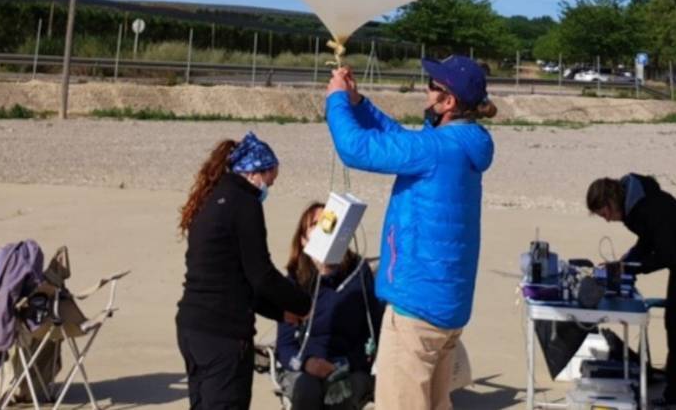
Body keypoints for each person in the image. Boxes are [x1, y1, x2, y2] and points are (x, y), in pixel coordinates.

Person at [324, 56, 495, 410]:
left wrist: (336, 100)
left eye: (433, 86)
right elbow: (402, 140)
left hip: (416, 308)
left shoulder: (437, 149)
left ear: (448, 103)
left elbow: (356, 149)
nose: (425, 90)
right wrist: (359, 104)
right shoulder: (459, 143)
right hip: (445, 306)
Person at [176, 132, 312, 410]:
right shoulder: (244, 203)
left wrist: (280, 312)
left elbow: (237, 279)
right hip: (222, 334)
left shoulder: (212, 198)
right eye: (270, 180)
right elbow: (261, 275)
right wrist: (302, 303)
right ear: (255, 173)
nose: (268, 188)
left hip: (193, 327)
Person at [587, 174, 676, 410]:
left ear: (611, 201)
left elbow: (665, 254)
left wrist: (631, 268)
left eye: (604, 213)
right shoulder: (634, 209)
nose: (607, 220)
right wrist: (624, 262)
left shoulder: (650, 207)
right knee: (674, 326)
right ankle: (675, 396)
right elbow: (646, 242)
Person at [276, 202, 384, 410]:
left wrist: (346, 365)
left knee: (342, 396)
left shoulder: (358, 274)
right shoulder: (294, 282)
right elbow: (285, 346)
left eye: (327, 222)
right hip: (305, 365)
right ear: (303, 240)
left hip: (349, 365)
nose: (322, 228)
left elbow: (373, 333)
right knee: (307, 390)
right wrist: (308, 364)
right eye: (314, 224)